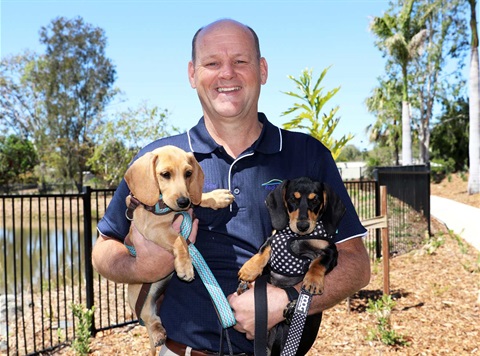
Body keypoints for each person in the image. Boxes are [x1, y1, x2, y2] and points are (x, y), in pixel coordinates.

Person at [92, 18, 370, 355]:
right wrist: (140, 267)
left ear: (262, 70)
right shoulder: (160, 160)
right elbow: (104, 248)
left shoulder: (307, 155)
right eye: (212, 63)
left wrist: (285, 301)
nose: (227, 73)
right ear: (193, 74)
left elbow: (356, 264)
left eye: (240, 61)